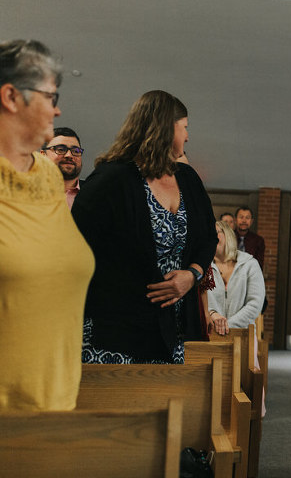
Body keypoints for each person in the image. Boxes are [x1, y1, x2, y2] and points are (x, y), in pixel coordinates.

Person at [72, 90, 217, 364]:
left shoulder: (188, 179)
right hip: (119, 332)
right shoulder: (111, 180)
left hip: (175, 331)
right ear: (165, 129)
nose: (187, 136)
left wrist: (192, 275)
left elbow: (209, 237)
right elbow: (74, 248)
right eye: (184, 127)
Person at [0, 39, 94, 411]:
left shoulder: (48, 177)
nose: (58, 109)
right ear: (11, 97)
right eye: (50, 97)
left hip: (56, 406)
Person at [207, 221, 265, 335]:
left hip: (243, 334)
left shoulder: (250, 264)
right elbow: (198, 301)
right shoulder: (203, 267)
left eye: (215, 232)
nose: (211, 236)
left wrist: (228, 325)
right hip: (211, 334)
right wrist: (212, 314)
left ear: (227, 235)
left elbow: (255, 303)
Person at [40, 126, 84, 208]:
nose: (69, 155)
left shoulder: (95, 194)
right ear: (43, 155)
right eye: (60, 149)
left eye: (76, 151)